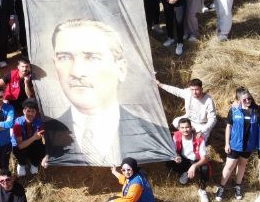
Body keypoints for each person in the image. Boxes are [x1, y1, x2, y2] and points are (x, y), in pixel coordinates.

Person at [43, 19, 172, 167]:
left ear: (121, 69)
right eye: (64, 58)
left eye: (92, 57)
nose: (76, 72)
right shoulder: (48, 134)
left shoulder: (152, 135)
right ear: (55, 67)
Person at [216, 87, 259, 202]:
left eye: (249, 98)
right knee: (229, 166)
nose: (248, 101)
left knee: (242, 165)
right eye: (244, 99)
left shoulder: (256, 110)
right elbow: (228, 127)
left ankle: (238, 186)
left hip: (248, 145)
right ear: (239, 100)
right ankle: (221, 187)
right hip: (235, 144)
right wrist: (227, 144)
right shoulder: (234, 110)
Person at [168, 117, 211, 202]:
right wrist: (177, 156)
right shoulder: (176, 136)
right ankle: (185, 172)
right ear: (179, 129)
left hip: (195, 160)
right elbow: (174, 150)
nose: (185, 130)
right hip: (184, 159)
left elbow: (204, 158)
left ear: (191, 127)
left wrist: (194, 166)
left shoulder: (199, 138)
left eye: (187, 127)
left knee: (205, 169)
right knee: (169, 162)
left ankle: (202, 190)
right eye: (182, 128)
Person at [11, 99, 45, 177]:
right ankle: (22, 164)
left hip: (31, 142)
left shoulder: (38, 122)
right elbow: (20, 145)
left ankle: (34, 163)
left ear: (36, 112)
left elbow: (41, 136)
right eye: (28, 111)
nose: (30, 114)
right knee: (17, 149)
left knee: (41, 148)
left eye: (33, 111)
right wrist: (33, 137)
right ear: (23, 111)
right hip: (21, 145)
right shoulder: (17, 124)